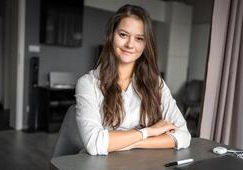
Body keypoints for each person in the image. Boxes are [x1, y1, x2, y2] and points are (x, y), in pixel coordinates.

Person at [75, 4, 191, 157]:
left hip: (145, 167)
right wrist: (150, 132)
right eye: (123, 35)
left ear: (145, 44)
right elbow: (95, 143)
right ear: (111, 36)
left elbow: (184, 136)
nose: (130, 44)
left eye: (139, 38)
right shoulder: (88, 83)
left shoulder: (156, 83)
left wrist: (131, 143)